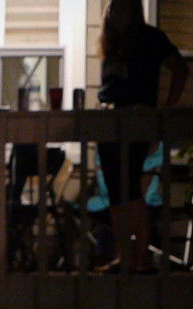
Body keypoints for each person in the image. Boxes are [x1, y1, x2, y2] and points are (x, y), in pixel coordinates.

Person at [95, 0, 187, 271]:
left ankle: (142, 257)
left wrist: (164, 111)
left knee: (129, 187)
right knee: (114, 189)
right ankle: (124, 254)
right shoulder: (111, 44)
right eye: (112, 9)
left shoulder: (150, 38)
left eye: (122, 7)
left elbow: (180, 70)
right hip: (110, 122)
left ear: (134, 11)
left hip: (137, 121)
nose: (115, 14)